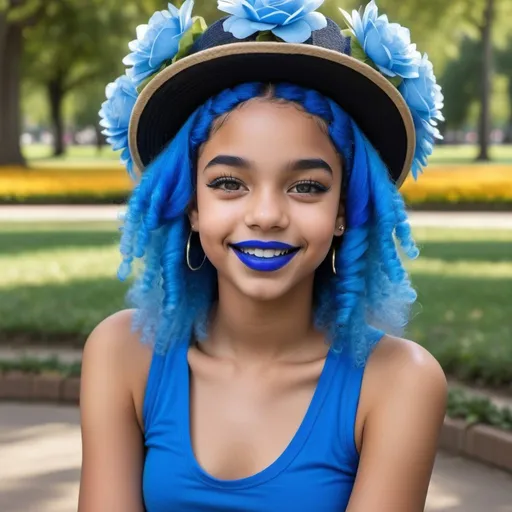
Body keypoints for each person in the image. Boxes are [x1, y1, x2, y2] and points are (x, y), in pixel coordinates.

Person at [79, 1, 447, 510]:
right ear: (191, 204)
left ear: (345, 209)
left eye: (306, 186)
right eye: (229, 183)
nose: (267, 214)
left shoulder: (399, 382)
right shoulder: (123, 354)